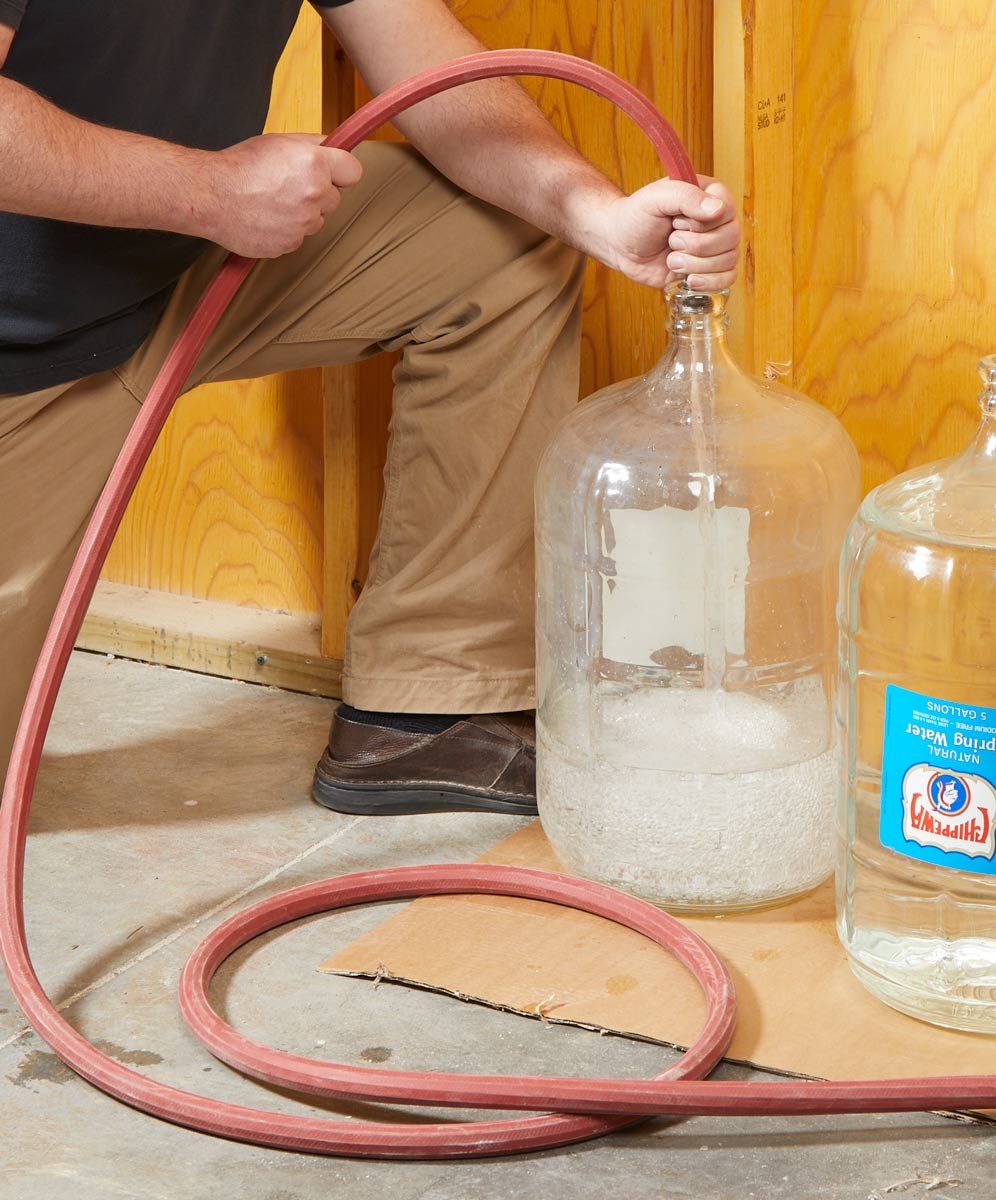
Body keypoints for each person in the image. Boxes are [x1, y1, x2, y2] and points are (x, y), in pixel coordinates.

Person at [0, 0, 739, 816]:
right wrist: (209, 192)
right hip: (18, 358)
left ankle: (426, 711)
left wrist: (593, 216)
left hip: (174, 271)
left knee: (500, 233)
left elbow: (419, 52)